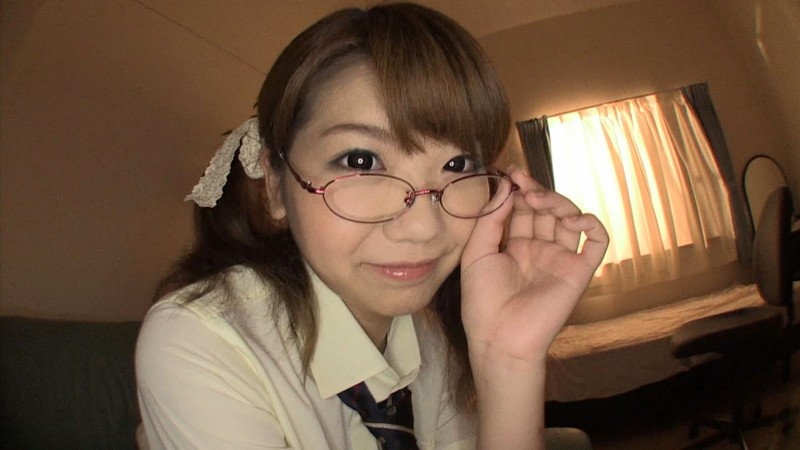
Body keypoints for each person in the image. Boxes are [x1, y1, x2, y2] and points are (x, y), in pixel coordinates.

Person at [135, 2, 608, 449]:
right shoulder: (202, 342)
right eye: (361, 160)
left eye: (459, 164)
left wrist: (508, 359)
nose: (422, 228)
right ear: (276, 184)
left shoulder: (431, 334)